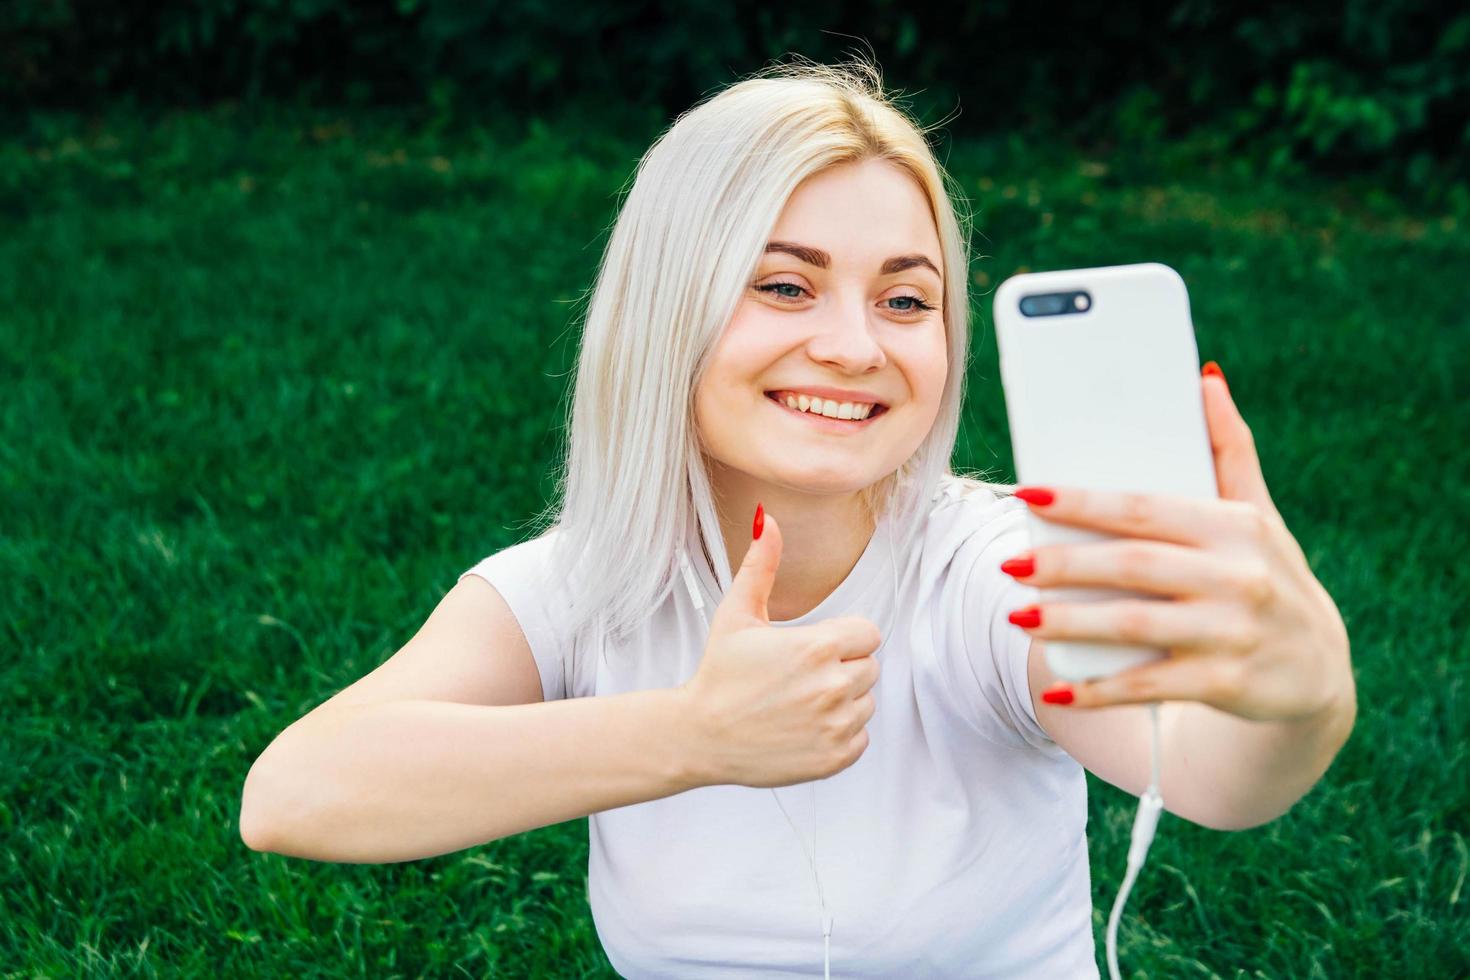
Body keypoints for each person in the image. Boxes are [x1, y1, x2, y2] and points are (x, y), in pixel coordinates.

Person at [239, 57, 1357, 978]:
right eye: (785, 284)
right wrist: (689, 735)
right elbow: (296, 791)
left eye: (906, 299)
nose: (856, 345)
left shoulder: (990, 569)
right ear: (670, 306)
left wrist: (1306, 692)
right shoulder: (577, 587)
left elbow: (1213, 778)